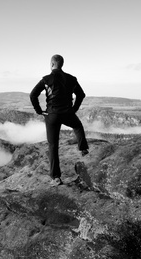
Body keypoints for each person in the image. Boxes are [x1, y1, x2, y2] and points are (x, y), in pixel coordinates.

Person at [30, 54, 89, 186]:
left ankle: (56, 177)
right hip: (68, 112)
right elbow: (81, 94)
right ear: (61, 64)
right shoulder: (71, 79)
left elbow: (33, 94)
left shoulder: (46, 79)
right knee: (78, 126)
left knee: (53, 146)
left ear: (52, 64)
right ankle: (83, 149)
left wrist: (39, 111)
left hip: (52, 115)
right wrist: (74, 109)